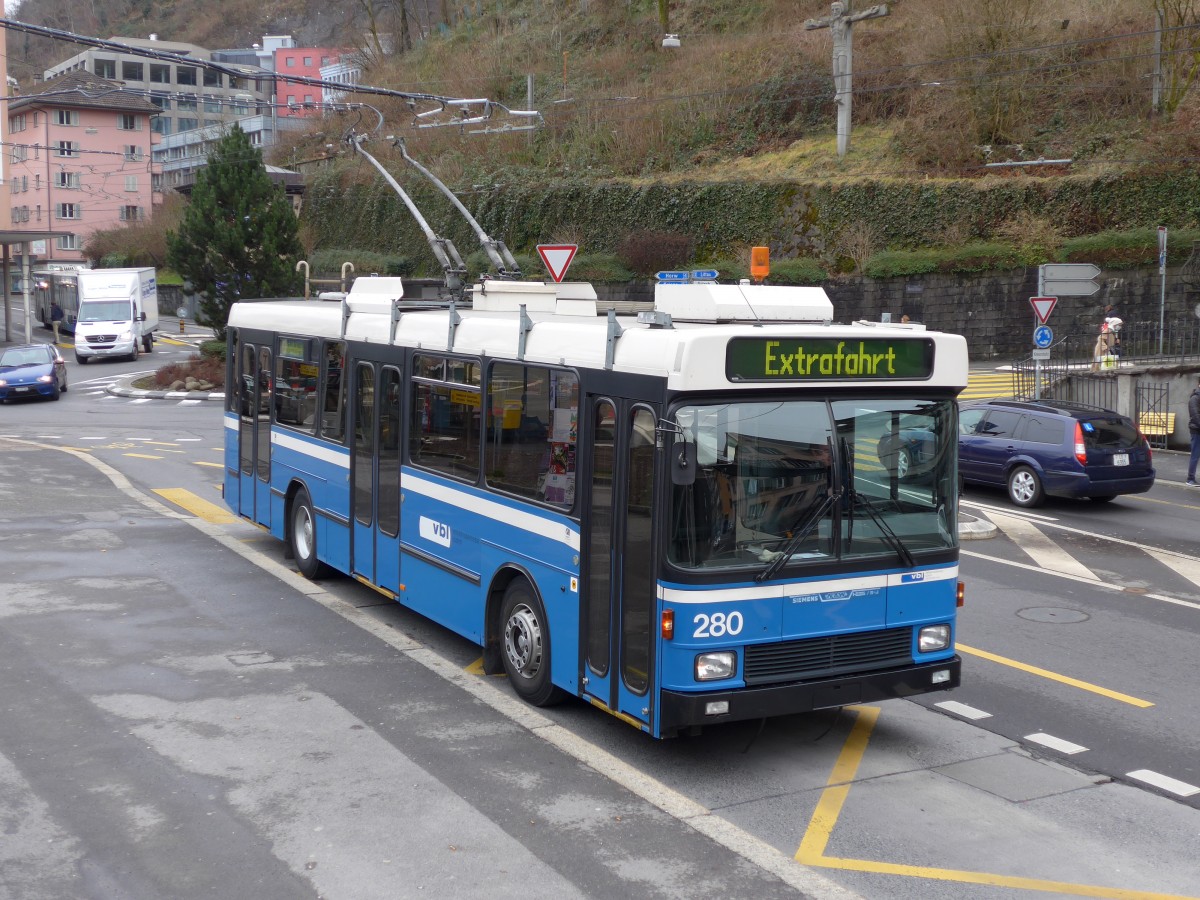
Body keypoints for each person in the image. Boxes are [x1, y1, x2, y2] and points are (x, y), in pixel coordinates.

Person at [1187, 375, 1200, 486]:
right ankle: (1190, 478)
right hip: (1196, 431)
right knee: (1195, 455)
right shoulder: (1195, 398)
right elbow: (1196, 416)